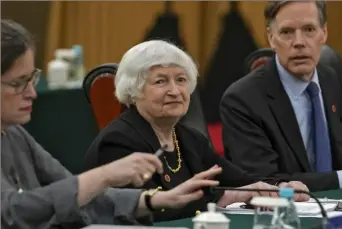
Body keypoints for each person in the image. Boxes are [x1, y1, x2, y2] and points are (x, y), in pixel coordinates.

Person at [1, 19, 224, 229]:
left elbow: (76, 194)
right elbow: (11, 213)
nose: (32, 93)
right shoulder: (119, 138)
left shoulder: (14, 134)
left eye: (32, 80)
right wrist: (104, 175)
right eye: (18, 83)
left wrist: (157, 198)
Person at [84, 39, 309, 222]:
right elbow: (146, 211)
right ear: (133, 91)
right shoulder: (118, 141)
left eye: (181, 80)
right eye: (161, 82)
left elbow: (239, 180)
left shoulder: (189, 138)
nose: (175, 91)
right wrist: (222, 199)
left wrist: (279, 188)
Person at [220, 1, 342, 192]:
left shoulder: (332, 80)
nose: (299, 42)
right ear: (271, 38)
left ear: (324, 33)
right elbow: (263, 180)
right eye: (287, 32)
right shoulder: (241, 100)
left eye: (309, 29)